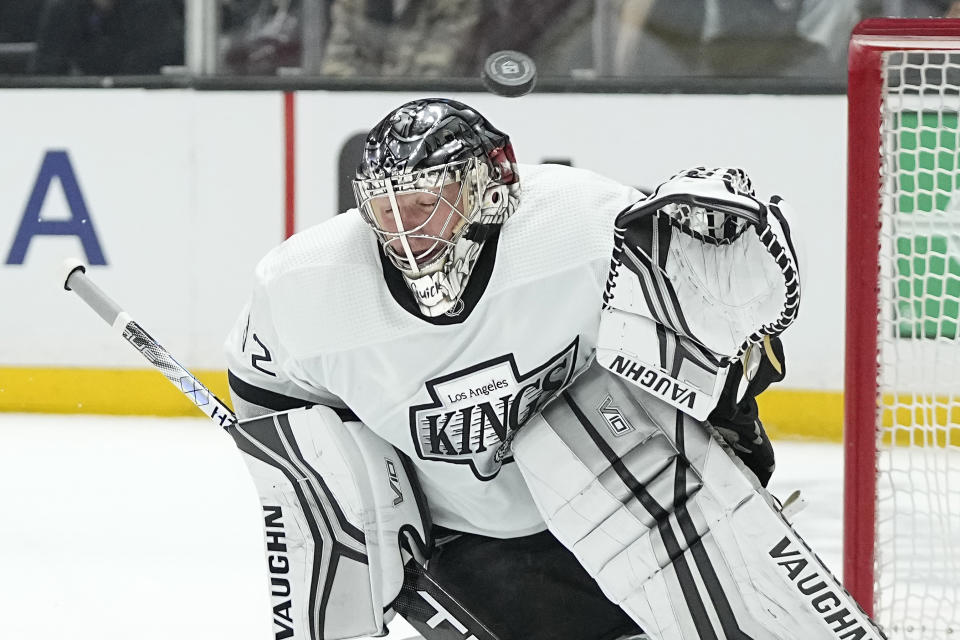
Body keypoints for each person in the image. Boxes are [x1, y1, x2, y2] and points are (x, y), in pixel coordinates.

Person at [223, 99, 875, 639]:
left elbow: (707, 317)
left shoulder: (579, 223)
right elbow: (268, 398)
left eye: (425, 201)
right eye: (385, 206)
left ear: (488, 186)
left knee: (591, 434)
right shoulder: (304, 287)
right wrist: (350, 500)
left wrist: (735, 426)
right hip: (471, 536)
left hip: (628, 483)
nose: (403, 229)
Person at [31, 0, 183, 75]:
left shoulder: (152, 8)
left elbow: (155, 61)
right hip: (77, 105)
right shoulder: (62, 10)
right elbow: (44, 70)